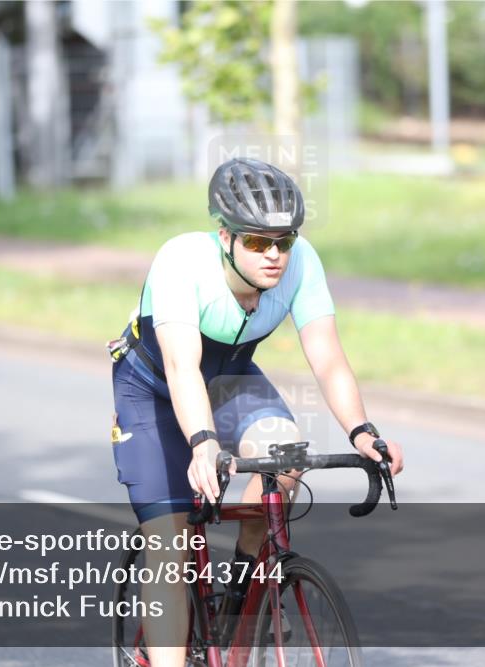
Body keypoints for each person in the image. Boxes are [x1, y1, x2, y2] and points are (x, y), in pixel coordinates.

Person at [108, 157, 403, 666]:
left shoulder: (302, 263)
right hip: (152, 388)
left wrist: (362, 432)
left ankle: (243, 595)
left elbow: (328, 358)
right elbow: (181, 367)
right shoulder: (181, 261)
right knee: (169, 548)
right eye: (257, 241)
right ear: (225, 237)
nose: (274, 255)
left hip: (230, 379)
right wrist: (203, 444)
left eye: (283, 241)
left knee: (286, 459)